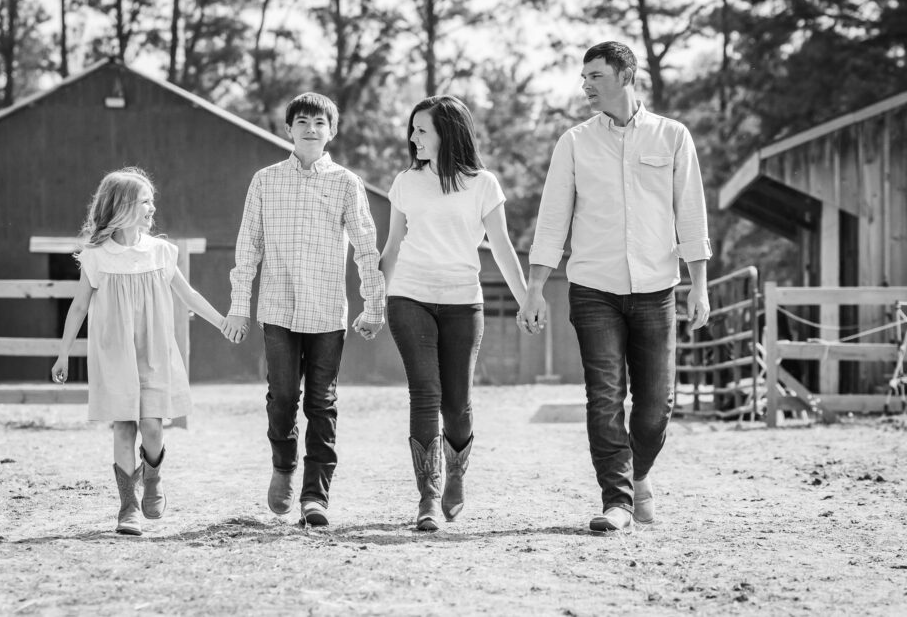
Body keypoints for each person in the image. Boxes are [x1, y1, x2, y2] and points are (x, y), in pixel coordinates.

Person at [519, 41, 711, 532]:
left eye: (596, 76)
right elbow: (552, 219)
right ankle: (617, 502)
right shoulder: (574, 142)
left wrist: (699, 285)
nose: (586, 85)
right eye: (584, 77)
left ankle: (638, 473)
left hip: (656, 287)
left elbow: (690, 213)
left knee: (656, 405)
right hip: (593, 287)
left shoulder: (672, 137)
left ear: (626, 76)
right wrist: (535, 287)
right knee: (604, 396)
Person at [221, 92, 385, 527]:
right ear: (289, 129)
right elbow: (248, 247)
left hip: (328, 312)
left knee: (322, 403)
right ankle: (283, 467)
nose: (311, 129)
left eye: (320, 122)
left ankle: (315, 497)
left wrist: (374, 305)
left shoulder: (347, 184)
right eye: (303, 122)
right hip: (277, 310)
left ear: (331, 131)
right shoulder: (265, 180)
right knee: (283, 398)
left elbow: (367, 250)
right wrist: (239, 307)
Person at [51, 167, 228, 536]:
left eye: (151, 201)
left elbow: (188, 295)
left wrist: (223, 322)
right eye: (145, 201)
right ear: (122, 205)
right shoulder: (97, 255)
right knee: (123, 427)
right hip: (114, 353)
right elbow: (79, 306)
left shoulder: (160, 252)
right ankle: (127, 506)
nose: (151, 208)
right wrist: (63, 352)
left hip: (154, 351)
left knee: (151, 425)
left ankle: (154, 476)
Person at [379, 95, 528, 531]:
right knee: (424, 392)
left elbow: (501, 247)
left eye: (422, 130)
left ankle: (456, 473)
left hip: (464, 299)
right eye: (413, 129)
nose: (413, 137)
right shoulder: (406, 182)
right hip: (409, 296)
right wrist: (374, 302)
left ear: (448, 132)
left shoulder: (483, 183)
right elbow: (391, 248)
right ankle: (427, 494)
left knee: (457, 403)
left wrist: (526, 298)